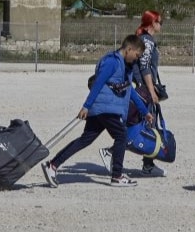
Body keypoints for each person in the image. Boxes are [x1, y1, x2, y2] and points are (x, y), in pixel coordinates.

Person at [41, 35, 154, 188]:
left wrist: (144, 111)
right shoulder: (112, 62)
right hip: (106, 108)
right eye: (136, 55)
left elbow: (131, 92)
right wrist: (86, 106)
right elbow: (98, 82)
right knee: (122, 135)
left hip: (102, 109)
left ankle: (52, 165)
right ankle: (117, 176)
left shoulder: (125, 67)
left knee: (85, 139)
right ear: (129, 49)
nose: (136, 59)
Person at [99, 10, 168, 176]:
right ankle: (113, 153)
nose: (161, 25)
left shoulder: (144, 39)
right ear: (152, 23)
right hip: (143, 89)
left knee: (145, 126)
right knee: (142, 127)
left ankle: (148, 163)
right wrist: (151, 91)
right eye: (160, 22)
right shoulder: (148, 41)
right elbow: (145, 69)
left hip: (141, 87)